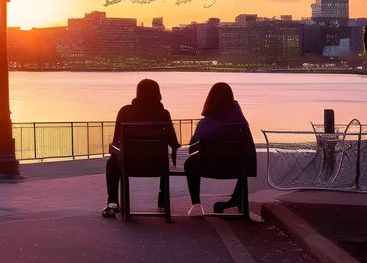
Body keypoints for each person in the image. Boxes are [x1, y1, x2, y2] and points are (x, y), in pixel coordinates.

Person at [103, 79, 179, 218]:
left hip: (129, 164)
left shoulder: (125, 111)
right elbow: (173, 143)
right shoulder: (163, 114)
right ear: (158, 93)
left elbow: (116, 141)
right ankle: (162, 202)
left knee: (112, 162)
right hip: (157, 165)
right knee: (164, 160)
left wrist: (114, 150)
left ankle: (112, 202)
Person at [185, 83, 255, 215]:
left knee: (189, 163)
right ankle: (237, 199)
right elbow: (249, 149)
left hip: (208, 168)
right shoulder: (241, 124)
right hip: (236, 168)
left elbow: (192, 150)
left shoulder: (204, 124)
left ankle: (196, 205)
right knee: (246, 160)